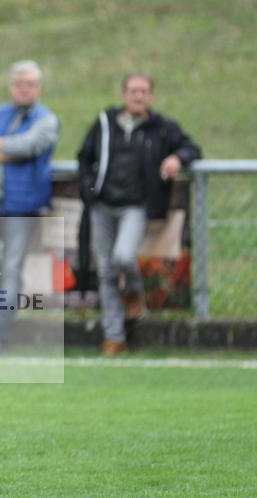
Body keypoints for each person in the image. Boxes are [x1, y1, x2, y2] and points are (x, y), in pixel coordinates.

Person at [77, 73, 201, 356]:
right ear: (123, 94)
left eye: (143, 91)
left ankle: (134, 292)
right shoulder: (105, 123)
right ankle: (114, 336)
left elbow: (192, 148)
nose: (138, 96)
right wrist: (89, 188)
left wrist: (176, 158)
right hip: (103, 205)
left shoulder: (161, 128)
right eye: (133, 91)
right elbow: (84, 157)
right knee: (107, 270)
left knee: (123, 257)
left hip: (135, 206)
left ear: (151, 96)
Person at [0, 60, 59, 357]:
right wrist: (2, 147)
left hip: (22, 205)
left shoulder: (46, 119)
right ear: (11, 86)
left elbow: (29, 146)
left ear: (38, 88)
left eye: (30, 84)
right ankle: (11, 291)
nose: (24, 88)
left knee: (13, 265)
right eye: (19, 83)